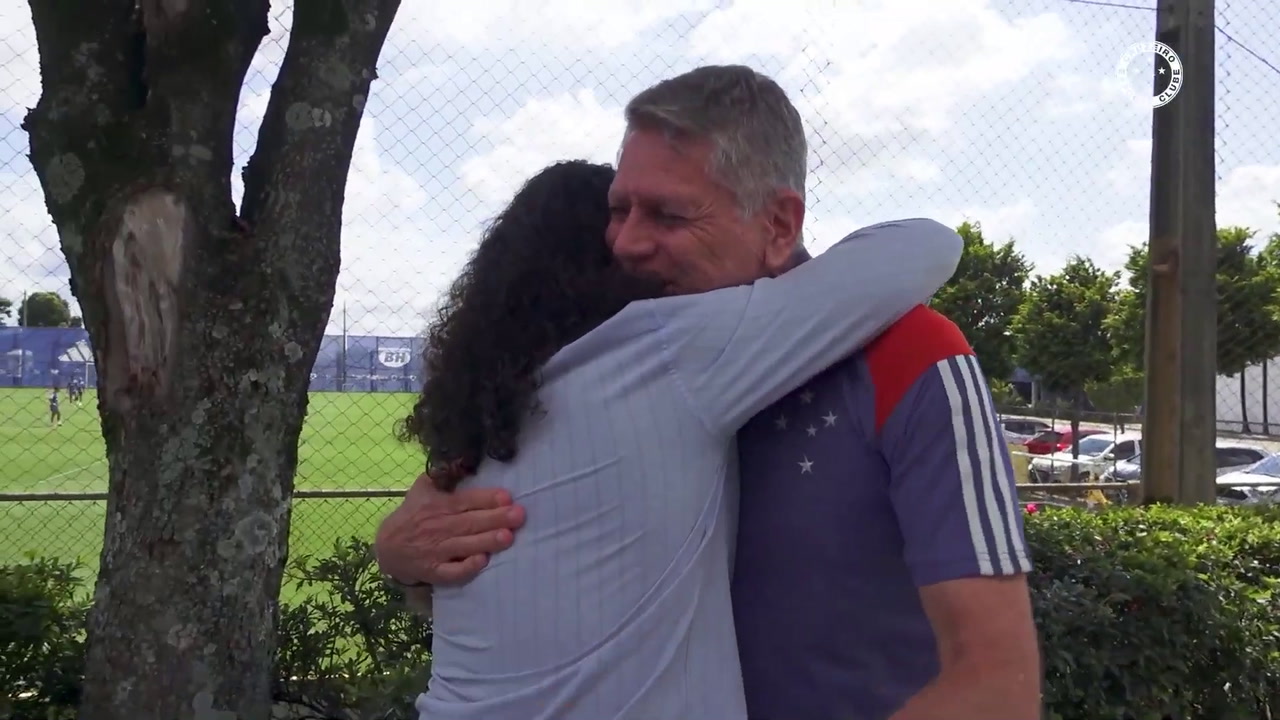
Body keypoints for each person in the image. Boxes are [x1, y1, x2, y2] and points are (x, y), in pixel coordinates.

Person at [377, 65, 1041, 720]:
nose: (628, 244)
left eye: (668, 215)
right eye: (617, 211)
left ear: (780, 225)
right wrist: (406, 553)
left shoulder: (908, 353)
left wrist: (405, 557)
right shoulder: (618, 369)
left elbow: (996, 689)